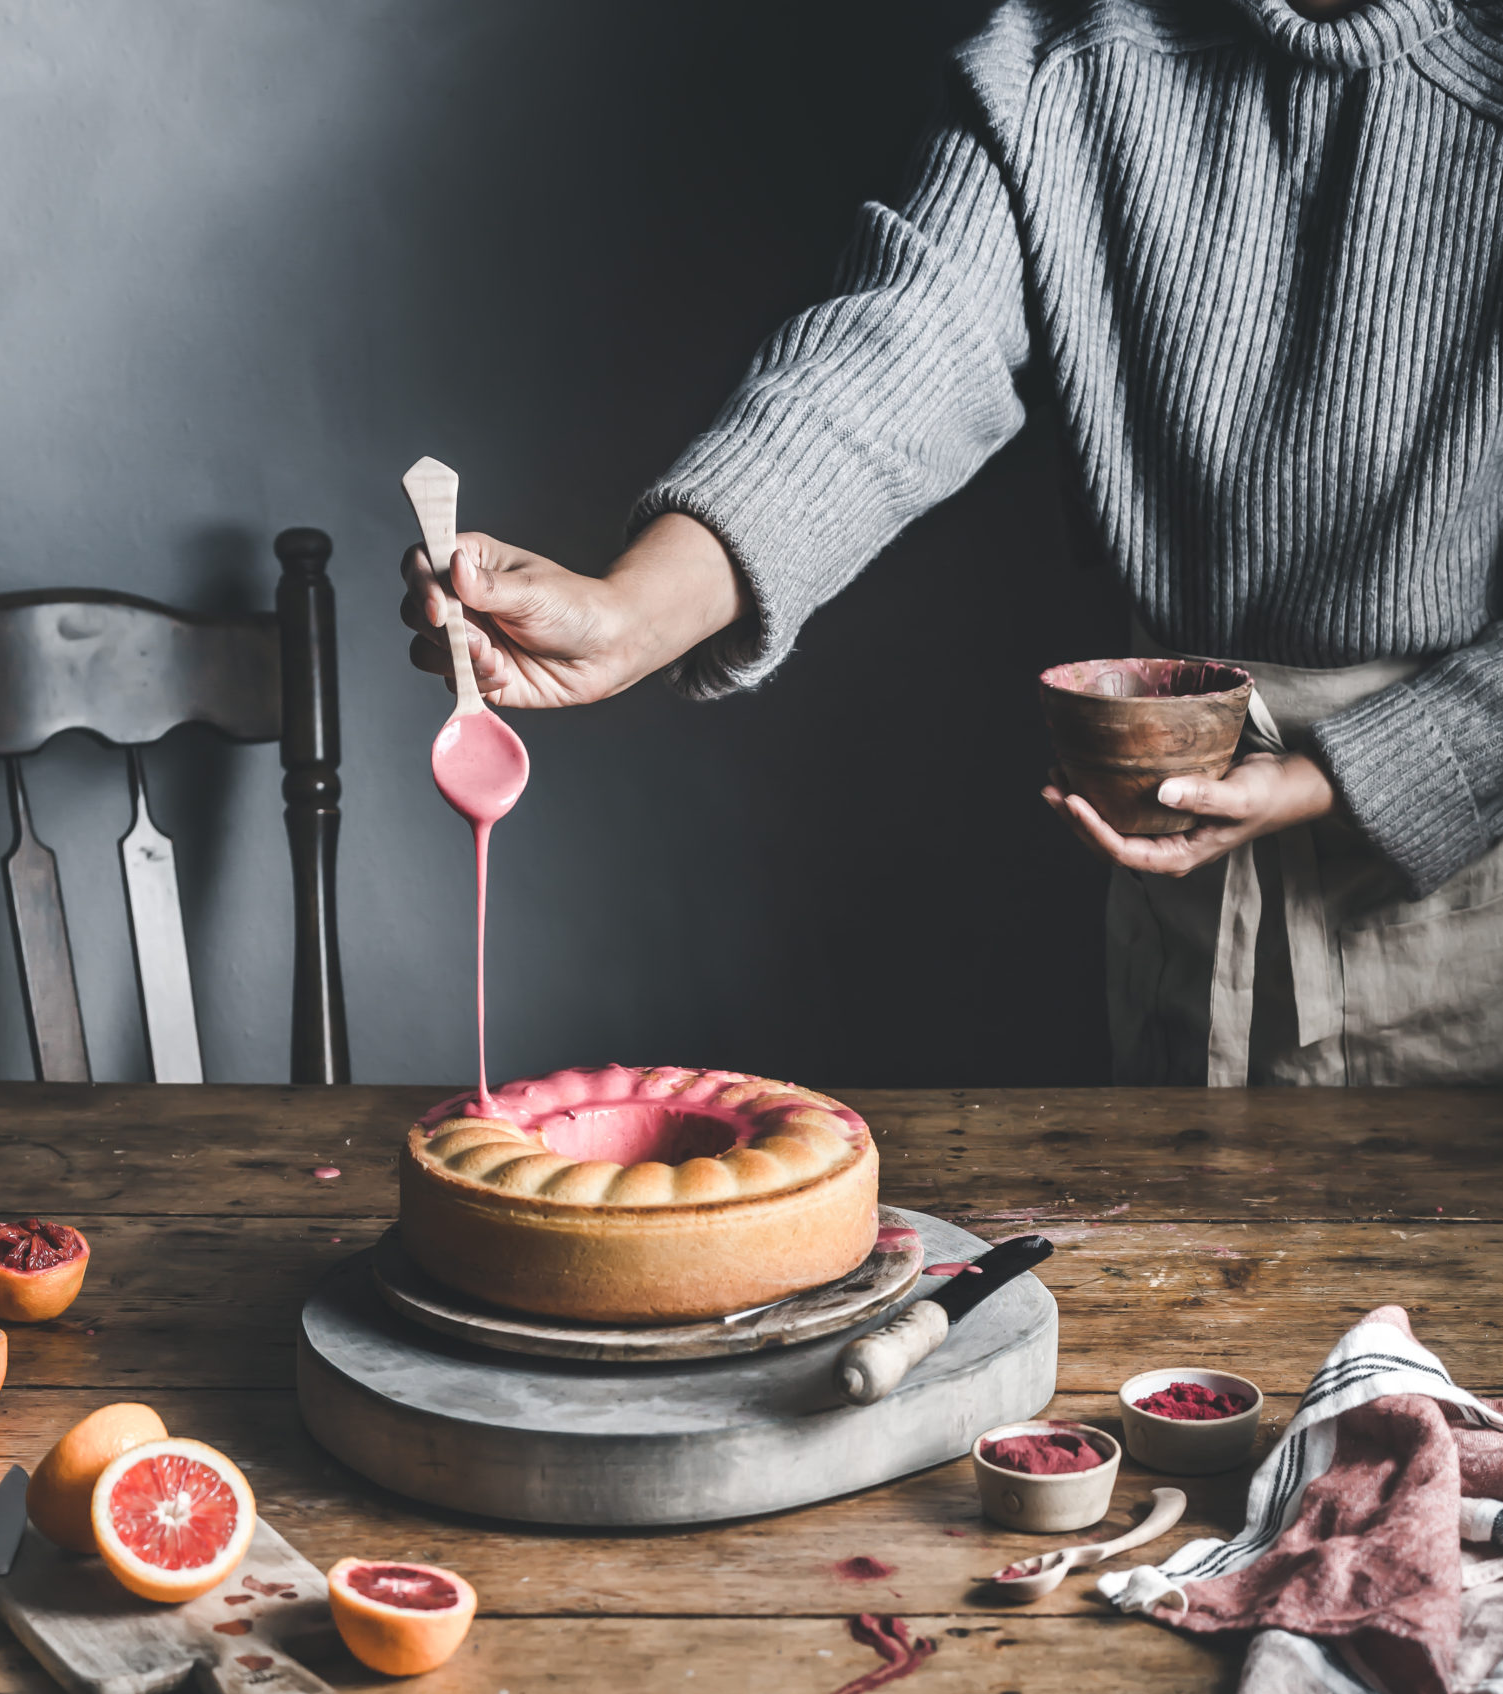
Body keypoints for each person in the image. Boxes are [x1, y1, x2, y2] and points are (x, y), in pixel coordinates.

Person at [403, 0, 1503, 1087]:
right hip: (1176, 845)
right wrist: (633, 614)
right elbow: (899, 356)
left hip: (1459, 916)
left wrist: (1336, 777)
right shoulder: (1062, 60)